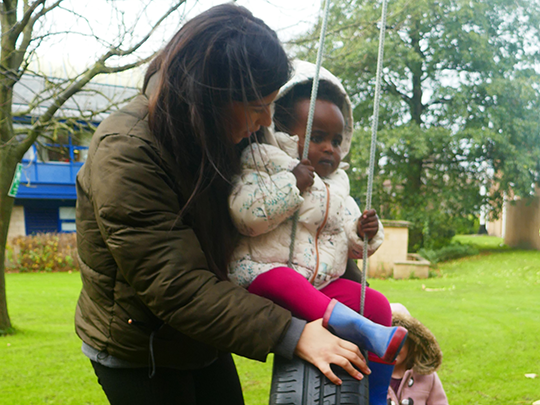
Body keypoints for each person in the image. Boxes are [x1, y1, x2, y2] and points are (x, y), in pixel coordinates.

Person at [74, 5, 369, 405]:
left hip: (204, 334)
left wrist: (356, 298)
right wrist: (294, 333)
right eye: (256, 106)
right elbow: (175, 285)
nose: (268, 119)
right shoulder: (127, 151)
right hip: (140, 348)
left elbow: (299, 229)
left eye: (271, 102)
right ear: (208, 93)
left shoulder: (231, 132)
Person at [228, 60, 407, 405]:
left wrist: (364, 232)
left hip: (319, 285)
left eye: (337, 140)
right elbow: (244, 216)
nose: (330, 148)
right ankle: (358, 329)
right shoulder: (261, 161)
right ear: (283, 133)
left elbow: (352, 246)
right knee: (285, 279)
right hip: (262, 276)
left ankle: (378, 396)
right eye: (318, 137)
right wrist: (290, 184)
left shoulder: (338, 186)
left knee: (376, 303)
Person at [388, 304, 449, 405]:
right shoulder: (369, 375)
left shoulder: (427, 377)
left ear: (411, 343)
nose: (392, 347)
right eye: (386, 340)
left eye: (399, 341)